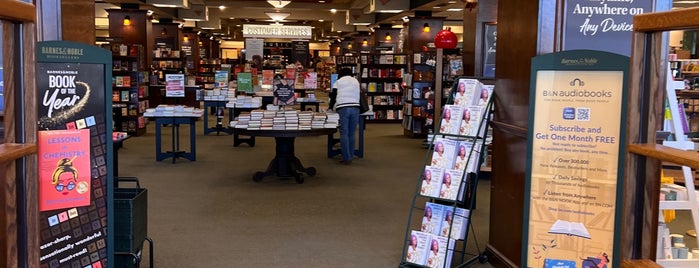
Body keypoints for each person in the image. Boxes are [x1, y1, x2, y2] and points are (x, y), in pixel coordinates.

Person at [329, 68, 360, 165]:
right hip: (355, 107)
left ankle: (346, 158)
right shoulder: (356, 81)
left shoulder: (338, 82)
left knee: (344, 133)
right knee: (352, 133)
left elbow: (333, 96)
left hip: (343, 108)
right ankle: (350, 155)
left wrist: (330, 107)